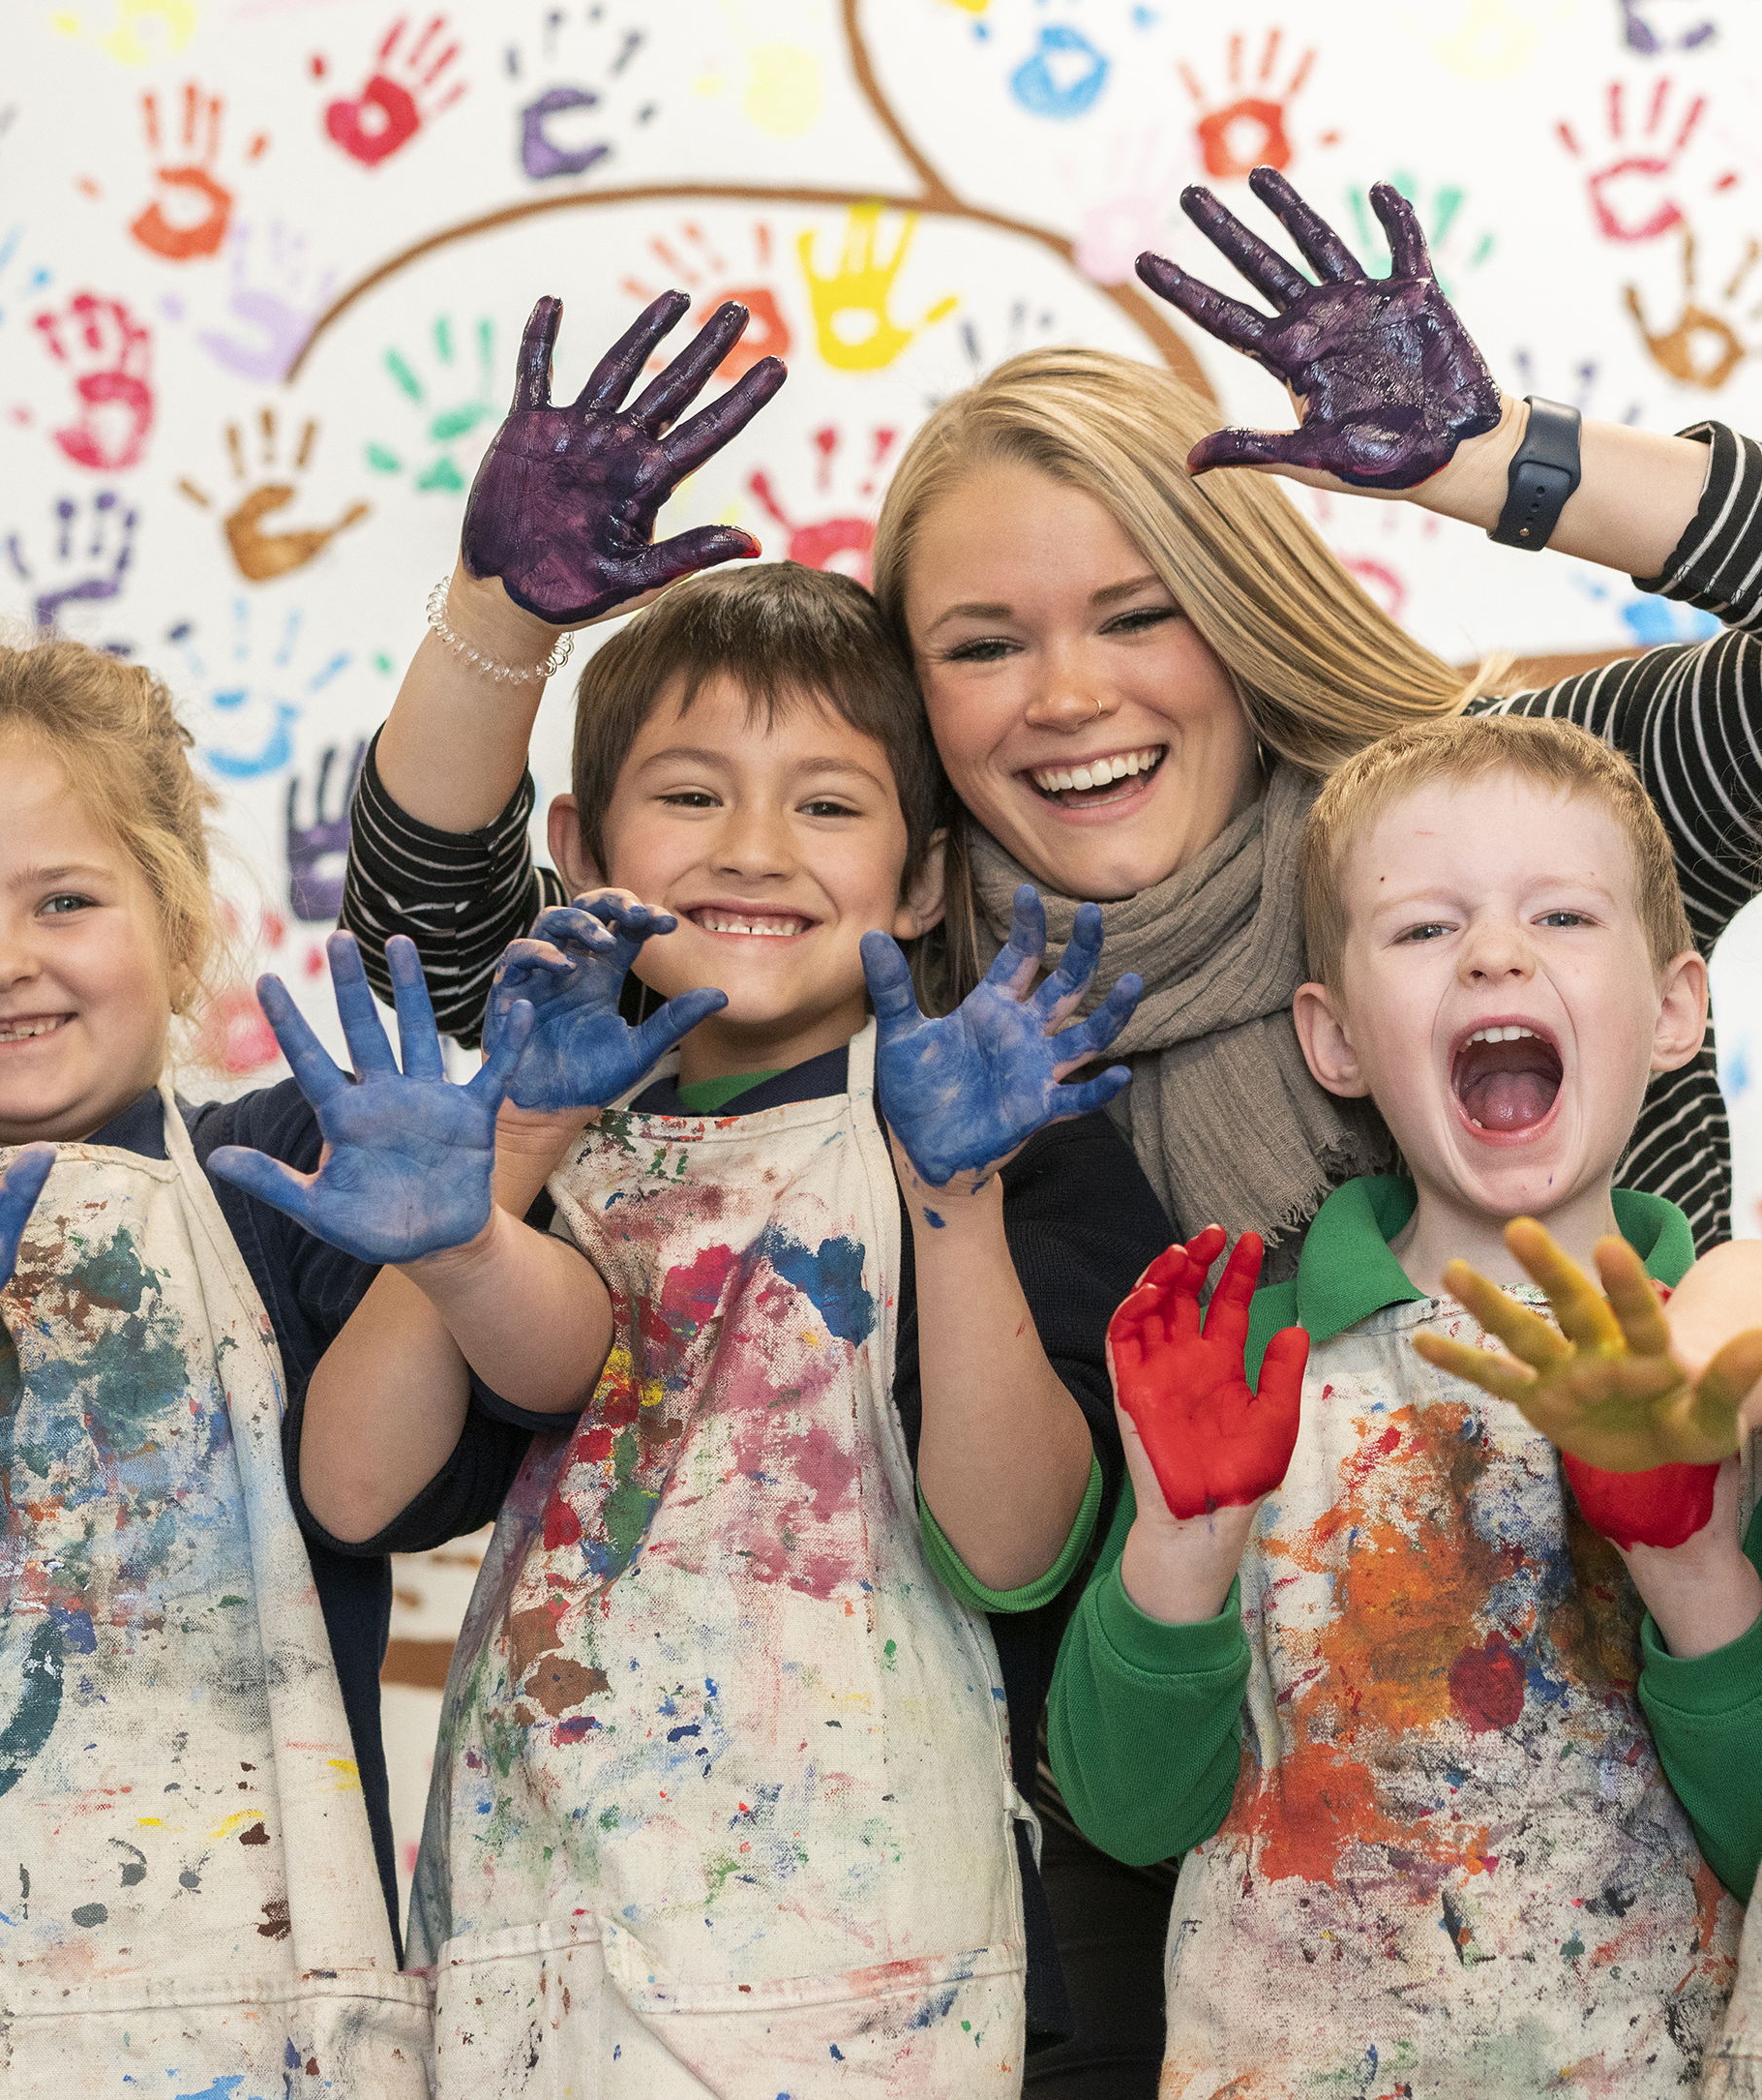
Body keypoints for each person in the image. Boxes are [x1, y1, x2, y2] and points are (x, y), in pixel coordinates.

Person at [338, 174, 1762, 2088]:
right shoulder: (909, 985)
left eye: (1133, 612)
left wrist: (1487, 457)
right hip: (1121, 1873)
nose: (1068, 695)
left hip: (1639, 1820)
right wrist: (498, 615)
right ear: (917, 723)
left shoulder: (1486, 842)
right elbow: (461, 959)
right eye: (985, 642)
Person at [212, 558, 1176, 2088]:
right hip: (539, 1944)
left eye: (827, 806)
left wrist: (957, 1197)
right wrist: (500, 1169)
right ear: (579, 849)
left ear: (923, 879)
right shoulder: (533, 1136)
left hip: (872, 1961)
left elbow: (1007, 1547)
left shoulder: (1012, 1142)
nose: (753, 849)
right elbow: (353, 1489)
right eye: (692, 794)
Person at [0, 638, 546, 2087]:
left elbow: (367, 1494)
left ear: (177, 929)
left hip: (266, 1994)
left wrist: (454, 1229)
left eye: (64, 898)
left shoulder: (280, 1166)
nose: (0, 957)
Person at [1048, 714, 1762, 2093]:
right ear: (1334, 1037)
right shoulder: (1244, 1353)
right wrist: (1178, 1551)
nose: (1497, 951)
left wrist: (1689, 1568)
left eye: (1558, 911)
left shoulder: (1723, 1366)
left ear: (1677, 1009)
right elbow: (1129, 1809)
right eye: (1426, 929)